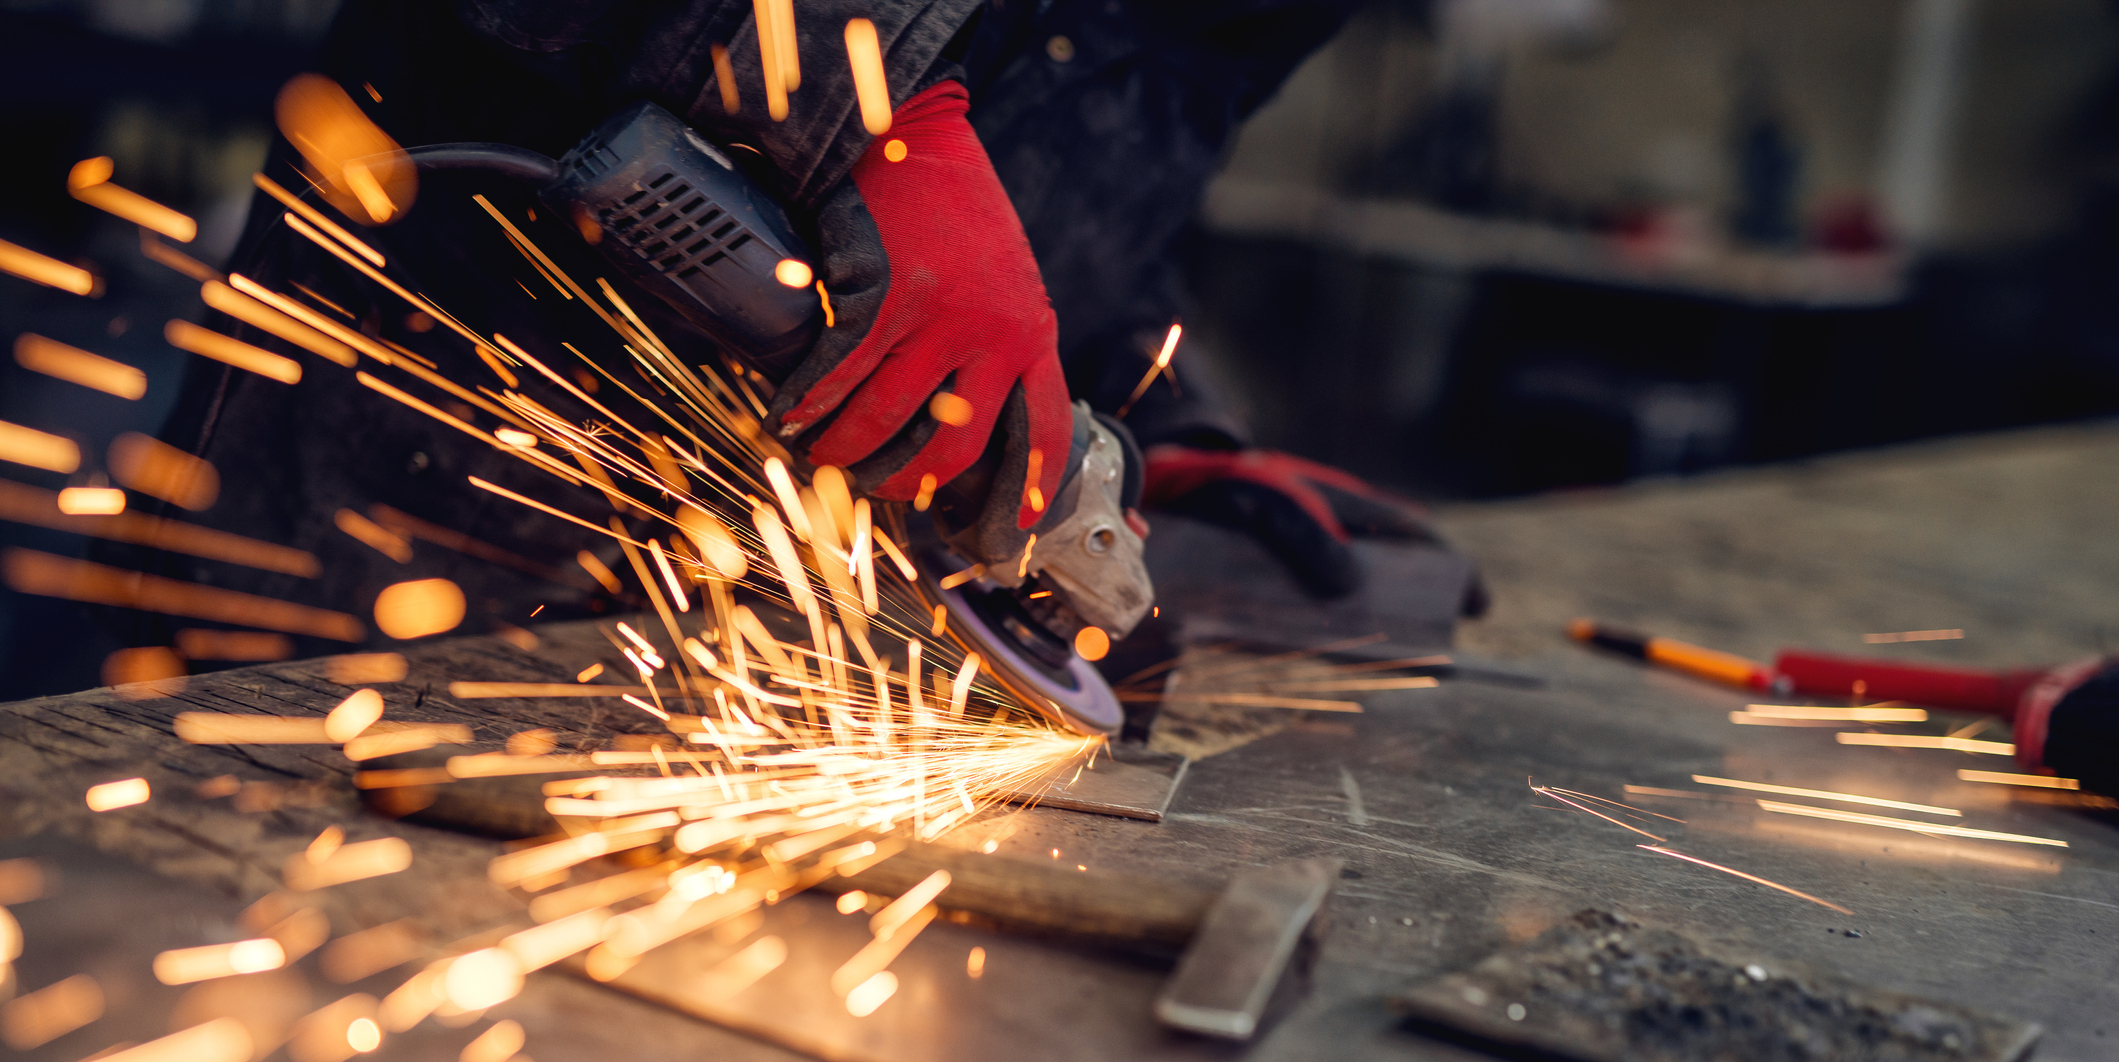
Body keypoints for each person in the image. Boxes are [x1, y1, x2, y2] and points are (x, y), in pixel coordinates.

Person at [140, 0, 1464, 655]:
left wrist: (1122, 401)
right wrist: (856, 91)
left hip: (799, 599)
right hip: (432, 461)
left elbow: (1088, 133)